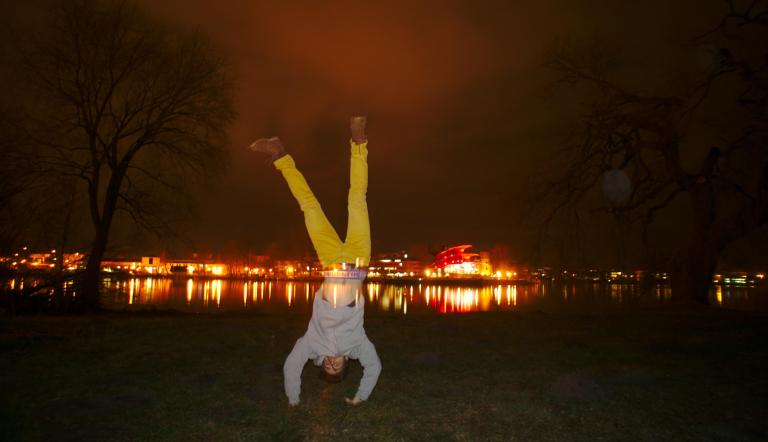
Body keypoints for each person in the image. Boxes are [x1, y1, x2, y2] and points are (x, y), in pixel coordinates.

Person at [248, 116, 381, 407]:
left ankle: (279, 154)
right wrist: (360, 397)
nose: (333, 362)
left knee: (309, 206)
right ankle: (359, 143)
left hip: (331, 260)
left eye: (328, 366)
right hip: (358, 261)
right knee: (357, 199)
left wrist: (293, 399)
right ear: (346, 362)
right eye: (338, 366)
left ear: (321, 363)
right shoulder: (358, 345)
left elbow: (291, 367)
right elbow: (375, 368)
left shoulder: (311, 344)